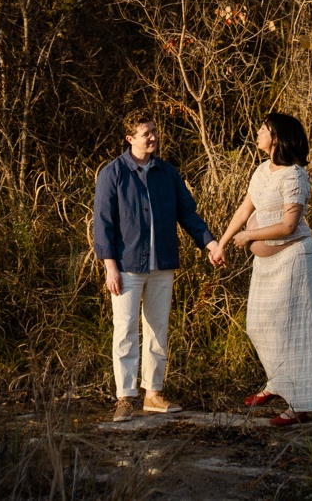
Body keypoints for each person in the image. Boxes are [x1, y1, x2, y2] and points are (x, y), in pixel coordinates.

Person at [93, 110, 226, 422]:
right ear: (130, 138)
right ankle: (125, 397)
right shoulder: (113, 174)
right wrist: (110, 267)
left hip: (162, 264)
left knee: (158, 329)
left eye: (154, 131)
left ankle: (153, 394)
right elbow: (103, 223)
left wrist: (210, 243)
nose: (153, 137)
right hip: (126, 266)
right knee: (125, 330)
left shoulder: (167, 173)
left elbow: (187, 213)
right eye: (145, 133)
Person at [216, 112, 312, 426]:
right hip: (266, 263)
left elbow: (288, 225)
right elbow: (245, 208)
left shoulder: (295, 176)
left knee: (294, 330)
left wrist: (250, 235)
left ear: (277, 137)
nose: (258, 132)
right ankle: (276, 382)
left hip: (293, 259)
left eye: (263, 129)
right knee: (258, 325)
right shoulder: (262, 170)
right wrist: (223, 242)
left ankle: (299, 404)